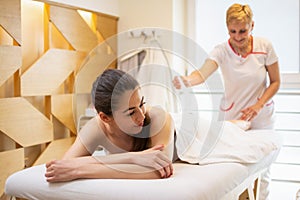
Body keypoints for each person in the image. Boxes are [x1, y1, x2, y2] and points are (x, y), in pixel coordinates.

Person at [173, 3, 280, 200]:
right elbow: (202, 74)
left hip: (261, 117)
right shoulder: (221, 50)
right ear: (227, 28)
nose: (238, 37)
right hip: (233, 116)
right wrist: (186, 81)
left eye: (243, 31)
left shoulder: (265, 47)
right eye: (233, 31)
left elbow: (275, 82)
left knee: (263, 171)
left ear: (252, 26)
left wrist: (258, 106)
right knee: (233, 167)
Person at [45, 69, 175, 182]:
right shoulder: (96, 127)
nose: (141, 116)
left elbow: (159, 170)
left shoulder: (159, 118)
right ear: (105, 118)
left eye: (141, 104)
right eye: (131, 113)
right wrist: (133, 157)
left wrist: (81, 170)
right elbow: (67, 164)